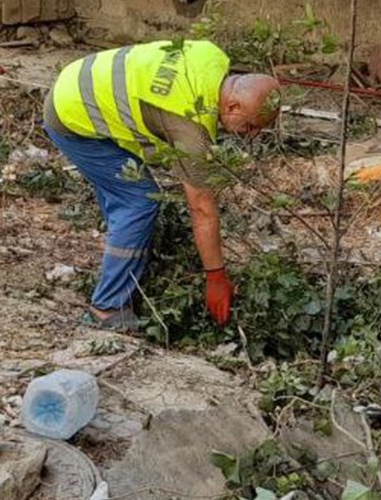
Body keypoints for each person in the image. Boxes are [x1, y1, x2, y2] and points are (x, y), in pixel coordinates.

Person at [44, 39, 280, 333]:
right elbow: (202, 208)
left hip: (78, 78)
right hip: (72, 115)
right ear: (232, 105)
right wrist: (216, 277)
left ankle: (126, 265)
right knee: (138, 201)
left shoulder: (213, 56)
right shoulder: (189, 128)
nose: (252, 136)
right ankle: (106, 308)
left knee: (126, 197)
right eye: (250, 126)